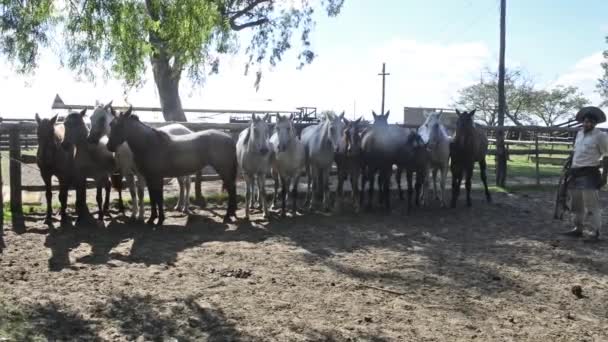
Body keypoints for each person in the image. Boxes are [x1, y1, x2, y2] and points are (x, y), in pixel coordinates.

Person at [561, 106, 608, 241]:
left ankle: (595, 232)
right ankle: (578, 228)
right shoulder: (579, 133)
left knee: (591, 204)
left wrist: (605, 176)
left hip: (590, 173)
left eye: (591, 122)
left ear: (595, 123)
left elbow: (606, 156)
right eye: (586, 121)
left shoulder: (601, 136)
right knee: (576, 204)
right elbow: (576, 152)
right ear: (583, 121)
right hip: (575, 173)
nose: (587, 124)